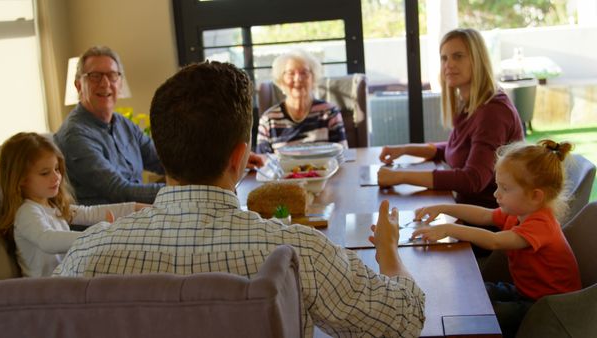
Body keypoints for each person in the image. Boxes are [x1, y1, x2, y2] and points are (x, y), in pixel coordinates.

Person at [54, 61, 425, 337]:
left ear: (162, 155)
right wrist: (389, 252)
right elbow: (402, 322)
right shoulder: (297, 254)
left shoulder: (89, 254)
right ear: (240, 158)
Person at [411, 139, 581, 338]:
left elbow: (495, 241)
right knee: (470, 291)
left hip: (545, 307)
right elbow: (484, 215)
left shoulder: (542, 225)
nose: (496, 194)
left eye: (505, 188)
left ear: (536, 196)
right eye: (498, 185)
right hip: (524, 291)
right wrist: (443, 207)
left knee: (479, 317)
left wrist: (451, 229)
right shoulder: (519, 210)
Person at [55, 46, 264, 205]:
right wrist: (200, 188)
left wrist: (227, 160)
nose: (105, 83)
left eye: (112, 75)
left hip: (140, 217)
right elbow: (119, 191)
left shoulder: (124, 124)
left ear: (119, 82)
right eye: (95, 76)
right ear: (78, 85)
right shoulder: (75, 134)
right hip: (106, 231)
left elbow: (167, 158)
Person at [378, 28, 523, 208]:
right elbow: (458, 149)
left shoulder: (492, 112)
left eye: (458, 56)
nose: (449, 64)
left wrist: (400, 176)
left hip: (491, 224)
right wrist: (404, 150)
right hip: (468, 212)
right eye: (444, 58)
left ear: (477, 60)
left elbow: (473, 180)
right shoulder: (469, 103)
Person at [0, 132, 146, 277]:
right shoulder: (26, 212)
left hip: (67, 279)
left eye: (56, 169)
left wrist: (137, 208)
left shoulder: (53, 207)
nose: (56, 176)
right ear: (21, 179)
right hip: (46, 292)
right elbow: (48, 240)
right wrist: (97, 236)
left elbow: (90, 213)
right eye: (45, 173)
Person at [256, 50, 348, 154]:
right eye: (291, 73)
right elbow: (263, 162)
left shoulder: (329, 112)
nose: (298, 79)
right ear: (281, 81)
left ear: (313, 79)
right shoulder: (268, 119)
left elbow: (343, 155)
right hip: (283, 171)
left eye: (304, 72)